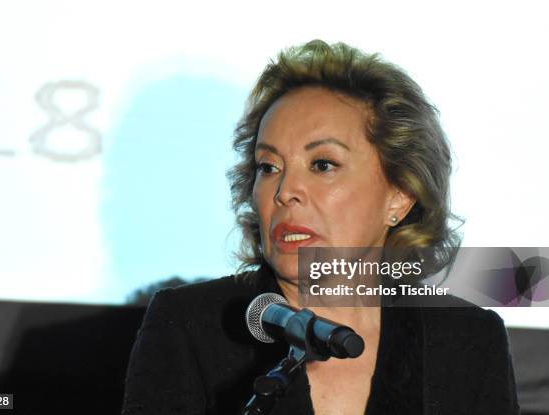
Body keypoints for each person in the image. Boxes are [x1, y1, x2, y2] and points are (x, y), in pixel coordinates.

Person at [121, 40, 519, 414]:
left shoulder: (467, 340)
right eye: (268, 167)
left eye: (322, 165)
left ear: (399, 194)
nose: (285, 191)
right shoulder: (191, 327)